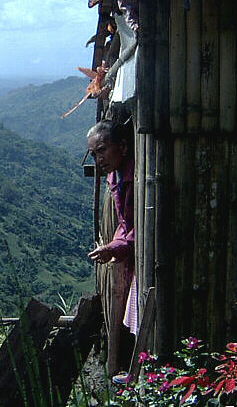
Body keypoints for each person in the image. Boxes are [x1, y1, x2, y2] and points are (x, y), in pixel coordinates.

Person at [86, 120, 138, 373]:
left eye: (102, 150)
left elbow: (139, 228)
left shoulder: (137, 179)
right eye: (94, 154)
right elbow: (125, 224)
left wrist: (115, 248)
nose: (98, 159)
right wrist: (114, 246)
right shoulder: (114, 177)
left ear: (124, 147)